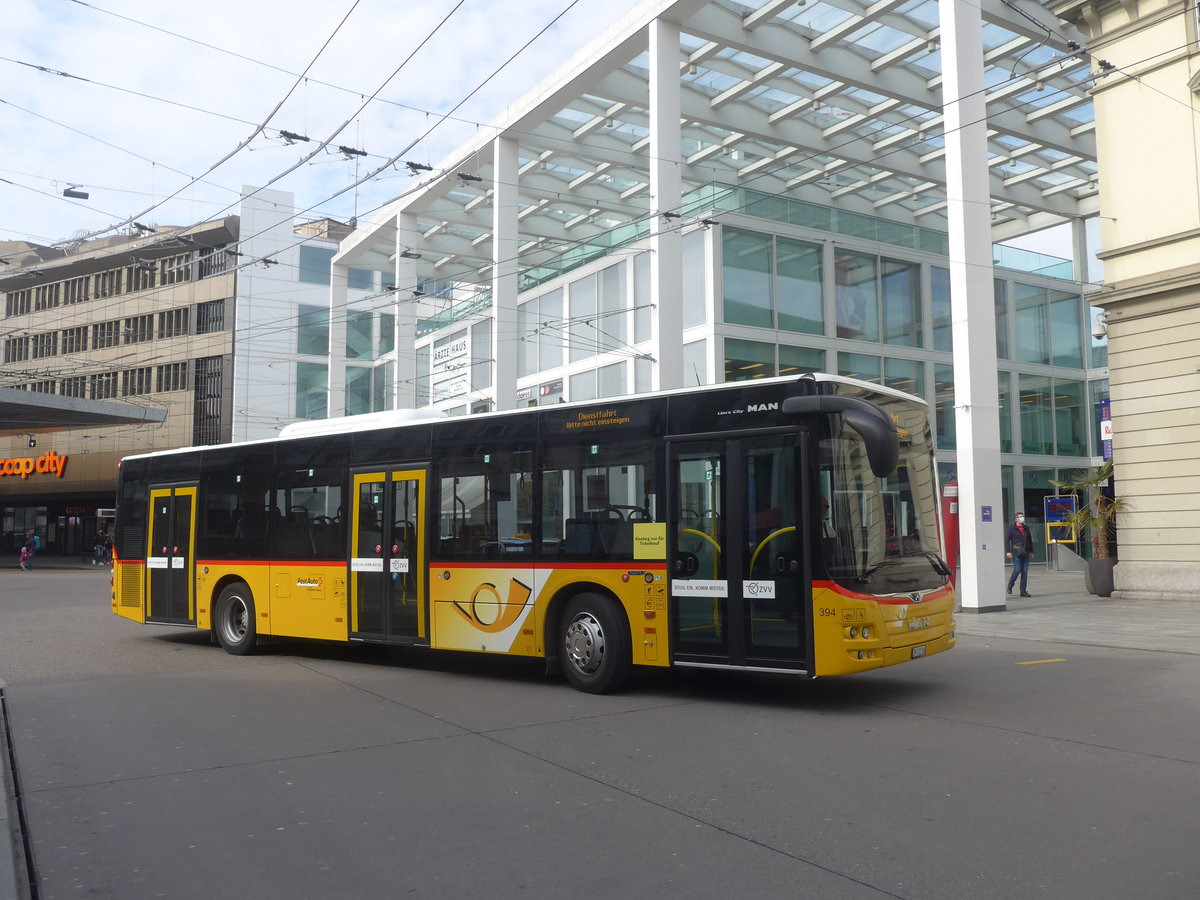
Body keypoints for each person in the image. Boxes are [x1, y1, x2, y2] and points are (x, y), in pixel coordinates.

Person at [1005, 512, 1034, 597]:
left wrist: (1031, 552)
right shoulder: (1012, 528)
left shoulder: (1026, 528)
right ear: (1016, 519)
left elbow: (1030, 540)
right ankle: (1010, 584)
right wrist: (1008, 551)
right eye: (1020, 517)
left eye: (1023, 517)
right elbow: (1006, 540)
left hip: (1026, 552)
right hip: (1017, 552)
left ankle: (1023, 590)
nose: (1022, 518)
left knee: (1024, 571)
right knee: (1017, 570)